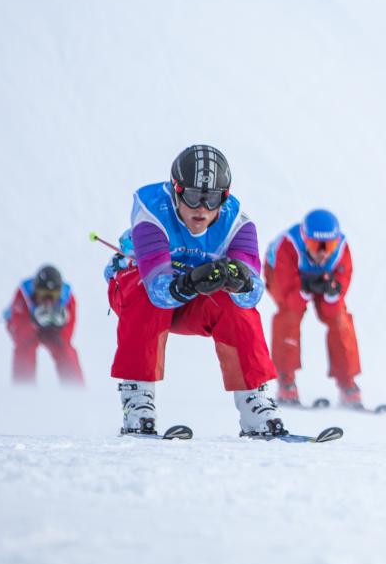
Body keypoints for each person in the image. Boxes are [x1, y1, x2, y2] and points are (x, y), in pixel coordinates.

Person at [106, 144, 286, 437]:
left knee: (234, 304)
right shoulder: (151, 211)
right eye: (192, 197)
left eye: (212, 199)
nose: (202, 208)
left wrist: (240, 281)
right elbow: (157, 292)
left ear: (224, 198)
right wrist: (189, 282)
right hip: (141, 294)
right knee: (141, 290)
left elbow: (253, 296)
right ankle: (137, 402)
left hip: (189, 305)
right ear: (176, 190)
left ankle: (254, 403)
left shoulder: (238, 224)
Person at [264, 209, 362, 407]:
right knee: (289, 315)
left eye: (329, 245)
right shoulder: (288, 247)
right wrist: (305, 289)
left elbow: (333, 307)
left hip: (318, 278)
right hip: (282, 274)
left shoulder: (342, 252)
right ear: (304, 239)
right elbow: (288, 297)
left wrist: (331, 292)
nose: (323, 252)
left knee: (340, 319)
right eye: (316, 245)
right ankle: (286, 382)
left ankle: (347, 384)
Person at [4, 265, 85, 385]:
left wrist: (57, 331)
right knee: (24, 347)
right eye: (44, 294)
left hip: (54, 330)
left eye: (53, 294)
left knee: (64, 348)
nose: (49, 299)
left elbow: (67, 335)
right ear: (35, 290)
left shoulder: (68, 299)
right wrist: (34, 324)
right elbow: (20, 332)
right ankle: (22, 386)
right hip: (26, 323)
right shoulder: (24, 295)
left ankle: (74, 386)